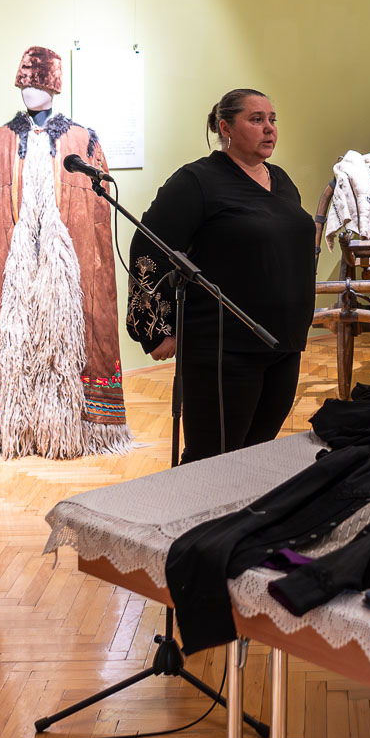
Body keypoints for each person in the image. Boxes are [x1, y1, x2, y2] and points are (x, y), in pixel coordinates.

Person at [127, 89, 313, 460]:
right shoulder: (197, 181)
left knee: (257, 453)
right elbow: (149, 246)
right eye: (256, 119)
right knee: (213, 459)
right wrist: (156, 328)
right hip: (224, 348)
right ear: (225, 127)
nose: (269, 128)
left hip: (285, 342)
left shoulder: (281, 180)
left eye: (272, 119)